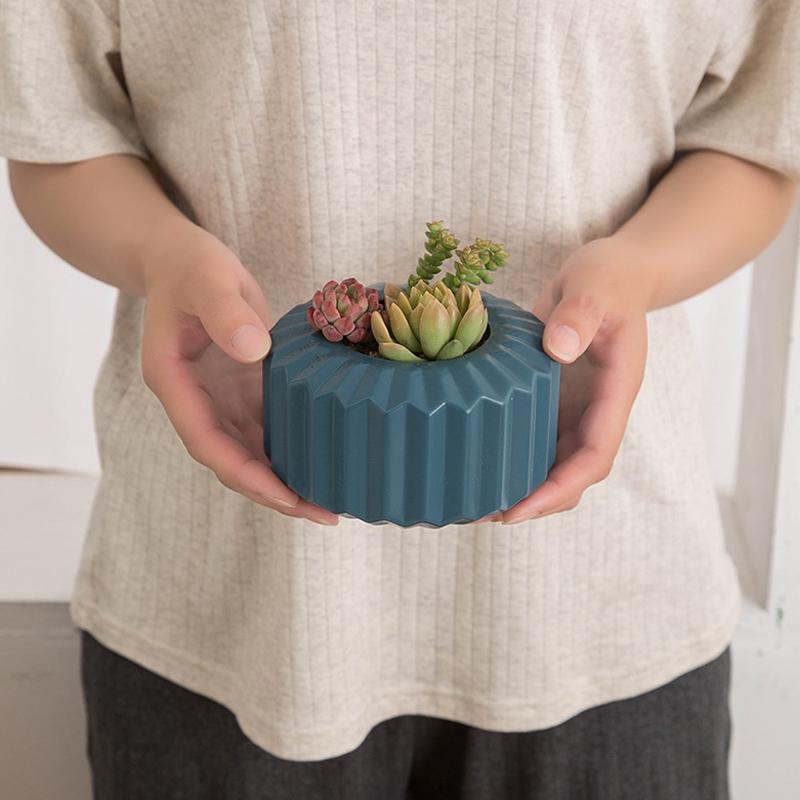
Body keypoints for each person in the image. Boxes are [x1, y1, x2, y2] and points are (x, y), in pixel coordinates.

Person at [2, 0, 798, 797]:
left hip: (604, 607)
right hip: (227, 607)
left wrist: (640, 267)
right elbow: (57, 131)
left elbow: (761, 137)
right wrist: (161, 253)